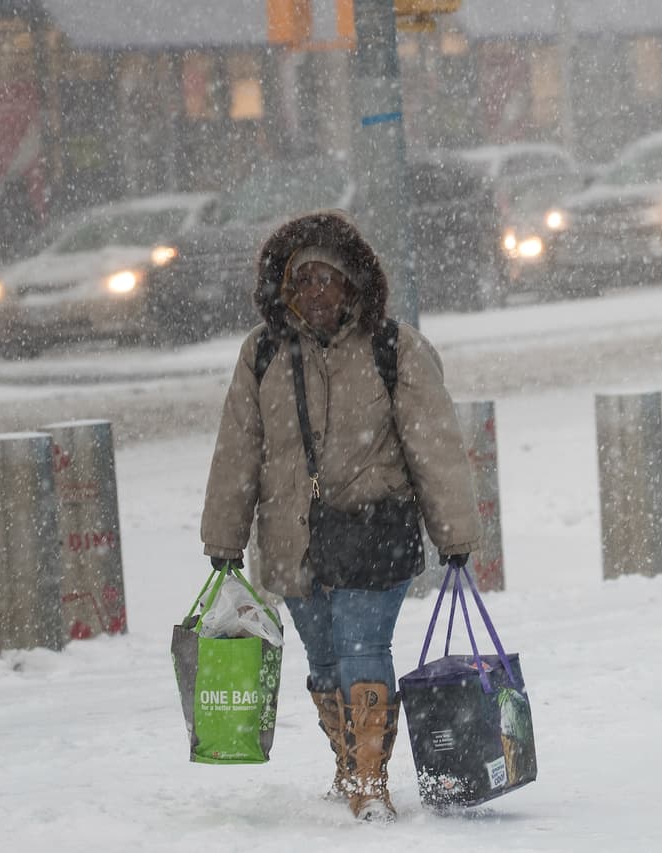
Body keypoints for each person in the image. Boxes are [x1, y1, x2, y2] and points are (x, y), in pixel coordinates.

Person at [200, 209, 481, 821]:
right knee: (324, 659)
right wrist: (222, 537)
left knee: (361, 650)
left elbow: (433, 444)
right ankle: (349, 761)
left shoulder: (393, 347)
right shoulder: (263, 353)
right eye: (302, 281)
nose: (314, 293)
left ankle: (371, 778)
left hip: (373, 532)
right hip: (291, 538)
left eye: (326, 279)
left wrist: (454, 533)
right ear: (284, 290)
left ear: (354, 284)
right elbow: (238, 448)